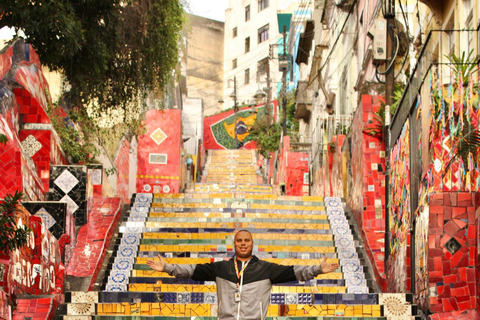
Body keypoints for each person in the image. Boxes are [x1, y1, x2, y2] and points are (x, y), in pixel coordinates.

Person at [147, 229, 340, 320]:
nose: (243, 243)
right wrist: (167, 268)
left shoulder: (266, 269)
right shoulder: (221, 268)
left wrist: (317, 269)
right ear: (235, 244)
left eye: (247, 240)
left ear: (252, 244)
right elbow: (191, 271)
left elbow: (295, 272)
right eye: (239, 240)